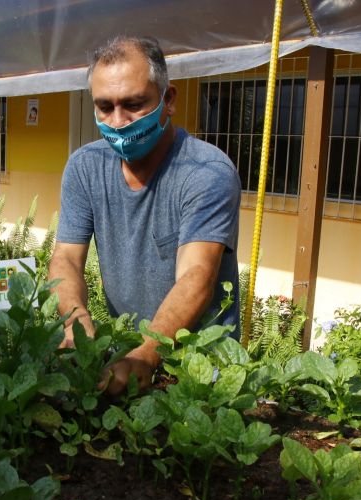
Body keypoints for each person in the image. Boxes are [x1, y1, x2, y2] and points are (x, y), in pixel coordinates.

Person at [49, 35, 241, 395]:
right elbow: (66, 258)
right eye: (104, 107)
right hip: (128, 355)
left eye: (134, 104)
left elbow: (197, 275)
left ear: (168, 100)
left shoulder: (206, 172)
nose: (118, 122)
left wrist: (149, 353)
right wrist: (74, 317)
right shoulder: (84, 168)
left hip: (204, 369)